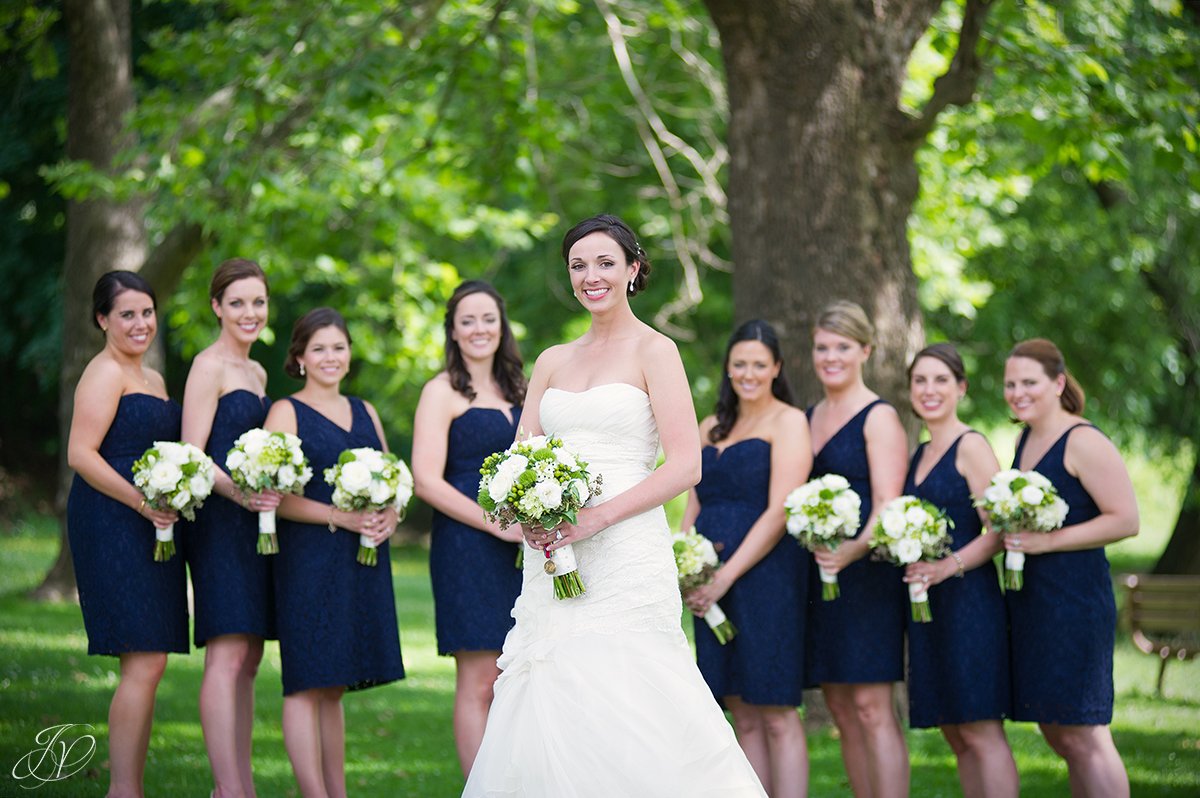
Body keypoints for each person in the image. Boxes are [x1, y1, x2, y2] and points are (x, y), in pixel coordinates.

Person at [463, 214, 766, 797]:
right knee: (553, 691)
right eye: (578, 265)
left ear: (632, 269)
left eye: (605, 262)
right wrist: (528, 510)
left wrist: (595, 518)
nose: (590, 275)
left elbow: (686, 465)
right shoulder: (551, 360)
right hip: (552, 559)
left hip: (625, 553)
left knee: (631, 693)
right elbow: (521, 454)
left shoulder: (658, 351)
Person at [263, 307, 405, 798]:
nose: (330, 357)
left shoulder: (365, 410)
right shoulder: (287, 412)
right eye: (318, 348)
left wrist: (392, 514)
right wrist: (339, 516)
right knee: (306, 679)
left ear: (349, 355)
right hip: (308, 560)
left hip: (359, 559)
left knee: (335, 682)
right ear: (299, 356)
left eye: (338, 347)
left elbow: (392, 479)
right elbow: (272, 494)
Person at [66, 270, 188, 798]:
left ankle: (128, 786)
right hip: (113, 521)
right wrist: (142, 502)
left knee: (152, 658)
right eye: (127, 315)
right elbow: (80, 454)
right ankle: (124, 790)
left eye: (146, 312)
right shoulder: (104, 372)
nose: (141, 324)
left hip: (152, 522)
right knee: (143, 655)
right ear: (102, 320)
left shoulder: (154, 378)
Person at [680, 319, 812, 797]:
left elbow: (781, 509)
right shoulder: (709, 426)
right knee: (738, 707)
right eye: (740, 364)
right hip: (707, 579)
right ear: (728, 368)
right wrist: (685, 564)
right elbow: (693, 503)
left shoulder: (789, 421)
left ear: (776, 368)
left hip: (766, 577)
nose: (749, 373)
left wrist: (727, 576)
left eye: (759, 364)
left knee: (775, 708)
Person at [1002, 338, 1138, 797]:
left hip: (1075, 603)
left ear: (1058, 382)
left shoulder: (1083, 440)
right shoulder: (1025, 438)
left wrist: (1048, 542)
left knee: (1085, 732)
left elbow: (1126, 519)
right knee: (1059, 731)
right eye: (1010, 384)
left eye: (1029, 382)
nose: (1018, 392)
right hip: (1036, 603)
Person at [412, 280, 525, 776]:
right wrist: (493, 525)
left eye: (488, 319)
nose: (480, 329)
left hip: (526, 546)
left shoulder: (521, 389)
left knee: (520, 675)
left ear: (502, 327)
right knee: (480, 679)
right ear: (453, 333)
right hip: (468, 547)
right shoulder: (441, 392)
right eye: (468, 321)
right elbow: (426, 481)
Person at [900, 343, 1017, 798]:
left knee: (981, 729)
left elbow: (999, 530)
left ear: (961, 388)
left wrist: (947, 568)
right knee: (955, 730)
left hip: (971, 604)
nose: (930, 390)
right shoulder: (921, 453)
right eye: (920, 381)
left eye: (941, 380)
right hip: (930, 607)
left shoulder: (972, 446)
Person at [181, 258, 278, 798]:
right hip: (220, 520)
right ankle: (228, 787)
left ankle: (239, 786)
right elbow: (192, 454)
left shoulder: (258, 373)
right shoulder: (208, 365)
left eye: (257, 302)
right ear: (217, 307)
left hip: (256, 522)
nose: (249, 313)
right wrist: (240, 493)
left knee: (252, 654)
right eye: (237, 303)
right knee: (226, 651)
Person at [804, 300, 909, 798]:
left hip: (868, 576)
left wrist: (852, 550)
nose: (831, 357)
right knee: (842, 708)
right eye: (822, 347)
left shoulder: (878, 417)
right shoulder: (809, 415)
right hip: (819, 574)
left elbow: (889, 503)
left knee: (871, 706)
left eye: (842, 347)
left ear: (865, 350)